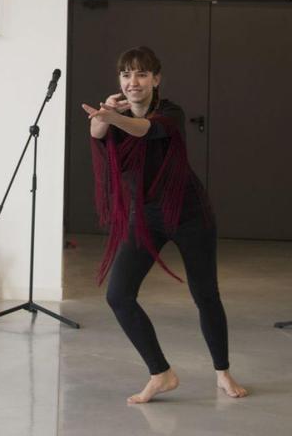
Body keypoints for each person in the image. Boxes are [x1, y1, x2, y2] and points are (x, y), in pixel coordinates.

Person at [82, 46, 247, 403]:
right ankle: (161, 373)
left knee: (206, 295)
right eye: (126, 74)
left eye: (141, 74)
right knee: (118, 296)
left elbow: (143, 130)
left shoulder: (170, 113)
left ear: (156, 79)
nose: (133, 82)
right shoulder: (115, 115)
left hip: (190, 215)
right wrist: (104, 116)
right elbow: (96, 132)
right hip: (145, 218)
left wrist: (112, 118)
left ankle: (222, 372)